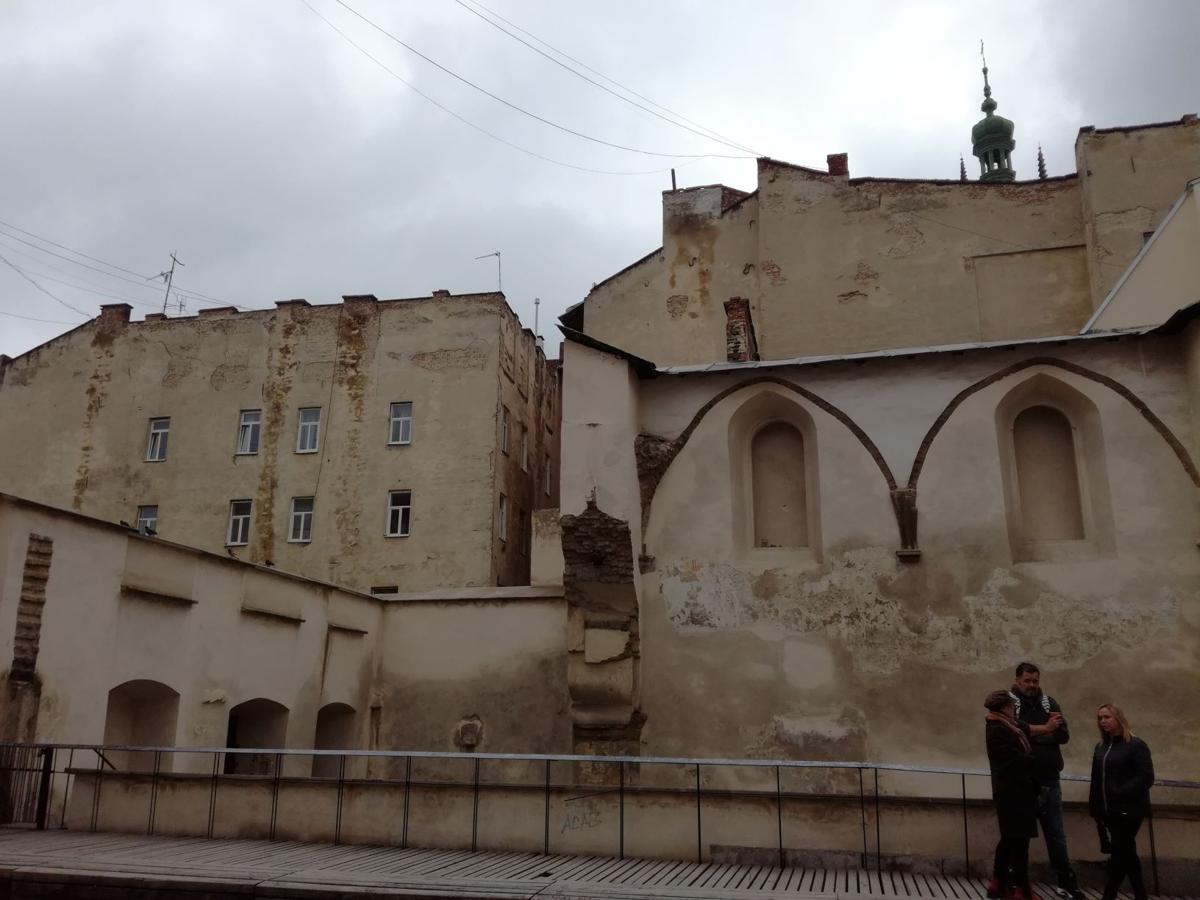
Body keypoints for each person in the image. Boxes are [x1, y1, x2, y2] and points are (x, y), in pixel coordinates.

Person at [1008, 663, 1083, 900]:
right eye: (1027, 681)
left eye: (1035, 681)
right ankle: (1017, 883)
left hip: (1050, 780)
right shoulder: (1010, 704)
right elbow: (1013, 735)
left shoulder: (1051, 703)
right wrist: (1045, 731)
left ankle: (1066, 881)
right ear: (1018, 680)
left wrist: (1035, 733)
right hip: (1022, 781)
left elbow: (1063, 736)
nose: (1032, 685)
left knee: (1056, 835)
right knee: (1019, 837)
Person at [1089, 703, 1154, 900]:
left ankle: (1109, 895)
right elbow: (1095, 780)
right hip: (1109, 812)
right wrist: (1094, 807)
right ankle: (1140, 895)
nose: (1103, 721)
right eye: (1100, 718)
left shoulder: (1135, 745)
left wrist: (1120, 791)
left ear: (1118, 718)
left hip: (1129, 811)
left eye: (1107, 717)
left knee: (1120, 854)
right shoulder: (1101, 747)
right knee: (1126, 854)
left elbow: (1146, 777)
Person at [984, 689, 1039, 900]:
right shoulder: (997, 728)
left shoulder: (1006, 726)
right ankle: (1021, 889)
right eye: (1012, 707)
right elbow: (1012, 760)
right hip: (1013, 792)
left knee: (1009, 839)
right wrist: (1031, 761)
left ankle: (999, 882)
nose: (1015, 710)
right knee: (1019, 841)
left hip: (1015, 791)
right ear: (1004, 707)